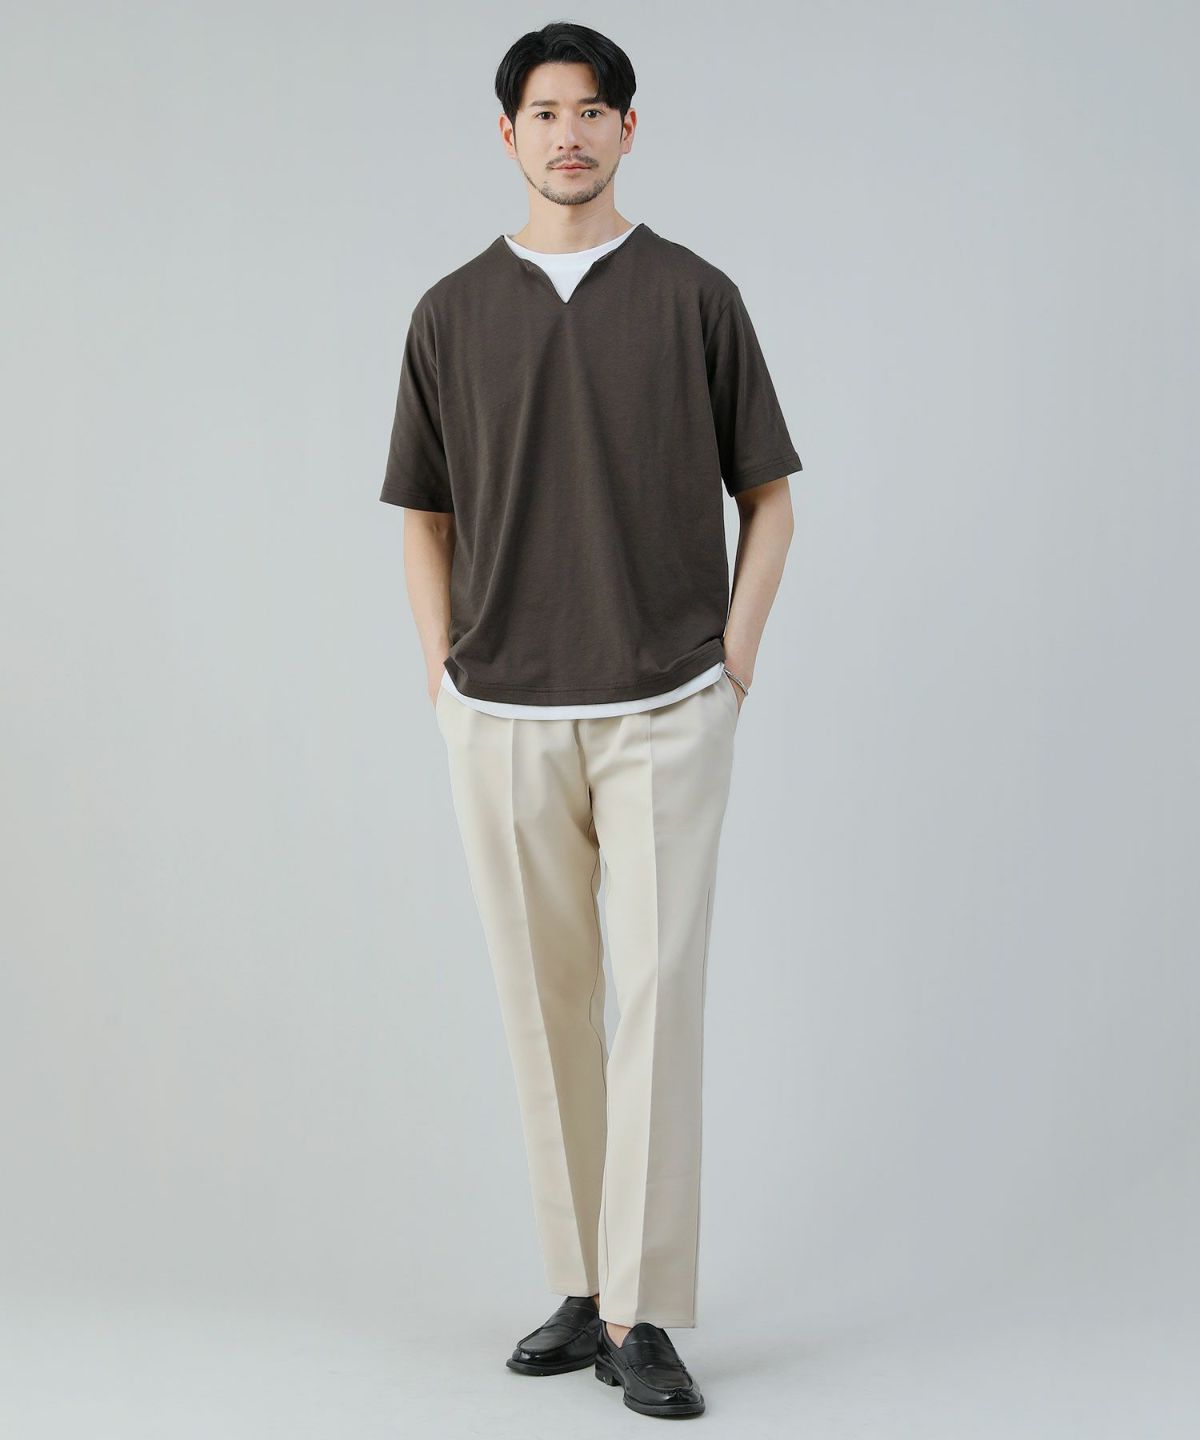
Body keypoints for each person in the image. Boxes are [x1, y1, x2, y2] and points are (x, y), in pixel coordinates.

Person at [379, 21, 802, 1421]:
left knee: (658, 1005)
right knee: (544, 1002)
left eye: (594, 110)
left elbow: (770, 496)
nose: (571, 133)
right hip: (502, 712)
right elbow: (423, 514)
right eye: (546, 112)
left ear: (629, 128)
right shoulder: (450, 313)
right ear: (507, 134)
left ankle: (644, 1310)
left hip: (666, 704)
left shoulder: (695, 296)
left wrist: (731, 664)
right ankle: (580, 1282)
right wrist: (443, 674)